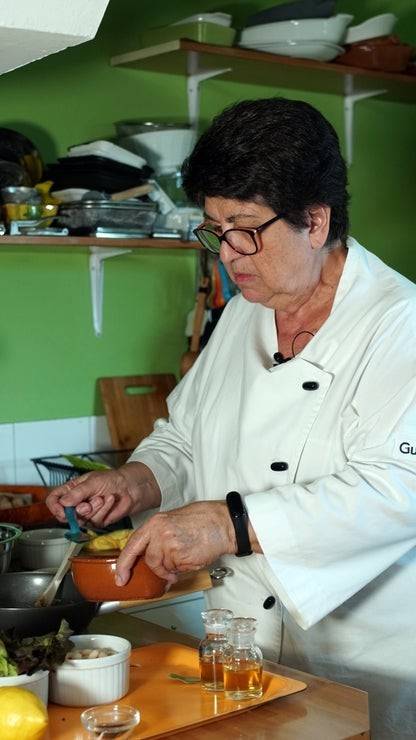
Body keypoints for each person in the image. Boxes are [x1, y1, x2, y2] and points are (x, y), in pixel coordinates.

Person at [47, 98, 416, 739]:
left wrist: (232, 523)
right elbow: (185, 436)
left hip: (367, 665)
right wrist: (136, 481)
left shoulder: (399, 324)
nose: (228, 254)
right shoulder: (248, 309)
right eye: (214, 228)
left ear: (315, 220)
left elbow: (399, 490)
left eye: (244, 228)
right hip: (244, 649)